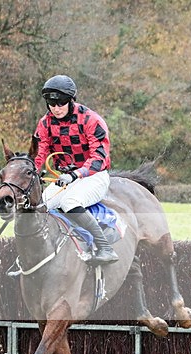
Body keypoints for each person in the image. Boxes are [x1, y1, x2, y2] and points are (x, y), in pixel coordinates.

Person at [34, 74, 118, 264]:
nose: (56, 108)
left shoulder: (91, 120)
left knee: (70, 201)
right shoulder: (45, 123)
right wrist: (33, 172)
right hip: (65, 177)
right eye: (51, 103)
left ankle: (105, 247)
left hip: (94, 176)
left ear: (71, 100)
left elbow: (99, 158)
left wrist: (76, 174)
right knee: (40, 205)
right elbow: (40, 153)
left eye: (61, 103)